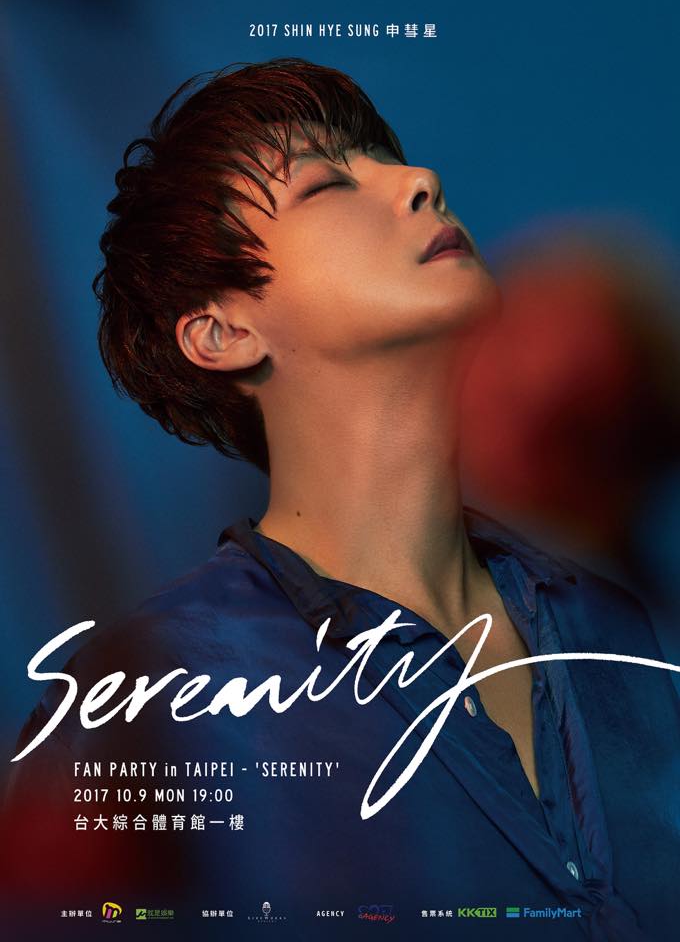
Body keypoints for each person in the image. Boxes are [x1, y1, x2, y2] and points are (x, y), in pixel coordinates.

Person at [2, 57, 679, 942]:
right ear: (222, 331)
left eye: (391, 158)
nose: (420, 179)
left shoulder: (629, 640)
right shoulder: (150, 705)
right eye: (326, 183)